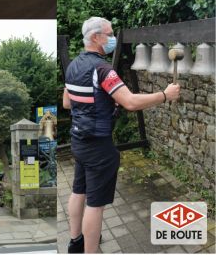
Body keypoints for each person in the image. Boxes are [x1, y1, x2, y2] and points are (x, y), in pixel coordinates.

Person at [63, 17, 180, 253]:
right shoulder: (103, 70)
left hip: (79, 141)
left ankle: (75, 242)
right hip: (98, 147)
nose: (113, 37)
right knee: (95, 205)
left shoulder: (73, 65)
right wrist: (165, 95)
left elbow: (67, 102)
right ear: (96, 37)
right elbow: (131, 102)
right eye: (109, 33)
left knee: (78, 191)